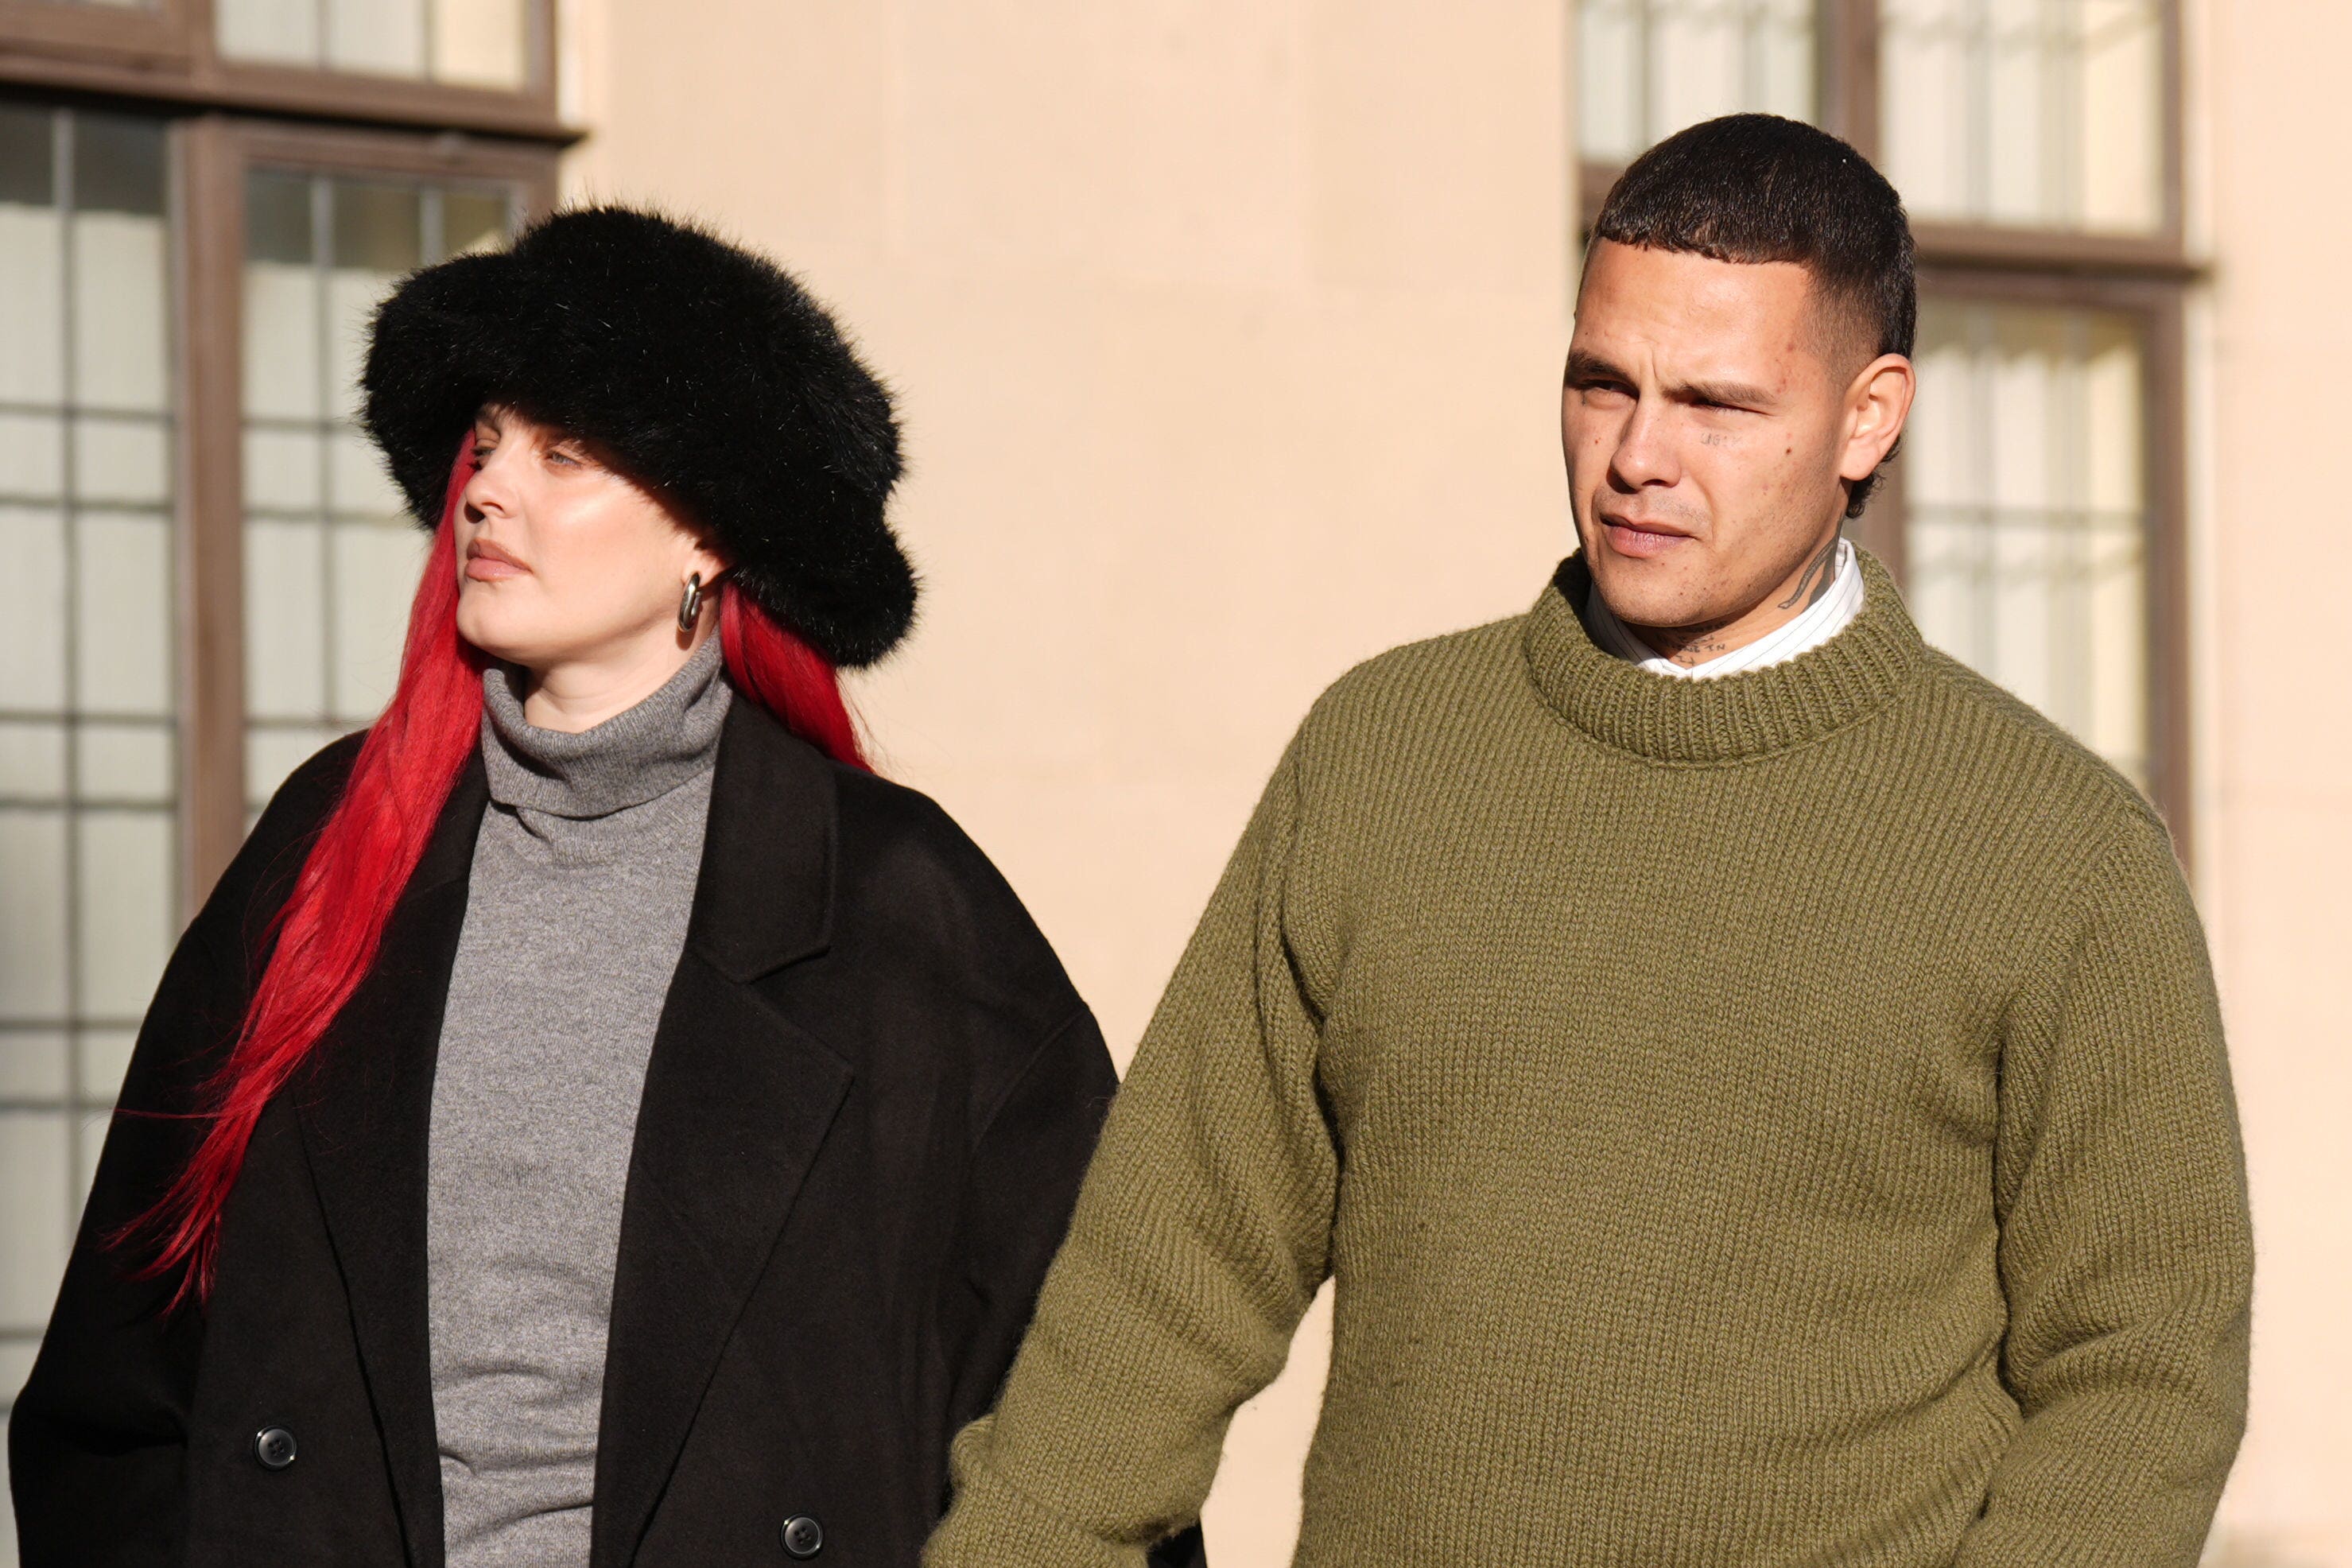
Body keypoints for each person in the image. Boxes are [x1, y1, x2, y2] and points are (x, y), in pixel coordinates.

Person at [926, 115, 2252, 1567]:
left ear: (1868, 419)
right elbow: (1160, 1285)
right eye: (1599, 383)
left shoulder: (2051, 849)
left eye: (1716, 405)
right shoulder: (1383, 755)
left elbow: (2140, 1373)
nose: (1636, 456)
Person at [10, 207, 1201, 1568]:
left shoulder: (899, 906)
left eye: (564, 453)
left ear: (706, 535)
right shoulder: (329, 846)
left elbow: (1085, 1417)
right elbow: (117, 1388)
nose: (487, 490)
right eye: (488, 442)